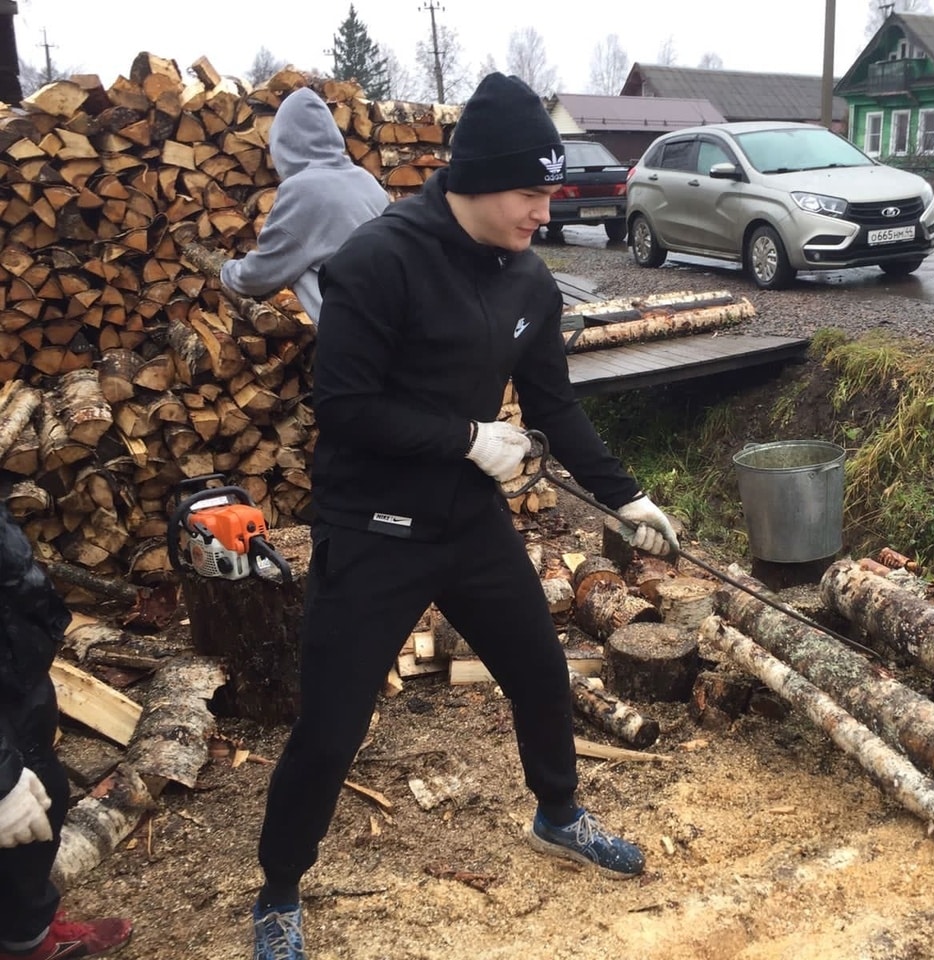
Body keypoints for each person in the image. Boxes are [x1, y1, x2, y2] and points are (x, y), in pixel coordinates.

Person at [248, 72, 680, 959]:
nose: (543, 211)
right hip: (373, 528)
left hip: (468, 523)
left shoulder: (529, 281)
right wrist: (465, 437)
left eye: (549, 191)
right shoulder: (380, 260)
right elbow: (346, 405)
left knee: (540, 673)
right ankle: (280, 889)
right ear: (475, 182)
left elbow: (555, 407)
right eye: (531, 192)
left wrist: (625, 494)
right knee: (332, 725)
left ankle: (558, 813)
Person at [0, 505, 133, 960]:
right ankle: (30, 946)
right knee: (22, 817)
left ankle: (26, 926)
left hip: (14, 668)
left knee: (45, 794)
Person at [219, 86, 389, 328]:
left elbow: (259, 275)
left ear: (284, 143)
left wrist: (226, 270)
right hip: (398, 326)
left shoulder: (303, 191)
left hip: (357, 339)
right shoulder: (366, 181)